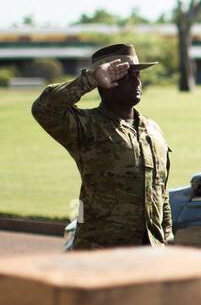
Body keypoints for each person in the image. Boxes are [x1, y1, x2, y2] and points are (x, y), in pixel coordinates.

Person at [32, 43, 173, 250]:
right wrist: (91, 79)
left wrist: (167, 236)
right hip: (101, 253)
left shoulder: (152, 129)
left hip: (149, 254)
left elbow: (160, 190)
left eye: (137, 73)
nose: (136, 80)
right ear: (106, 81)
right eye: (126, 74)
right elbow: (44, 109)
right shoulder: (87, 126)